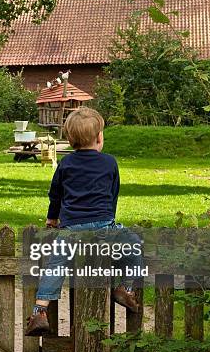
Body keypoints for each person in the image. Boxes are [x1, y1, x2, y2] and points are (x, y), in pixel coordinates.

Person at [25, 107, 143, 336]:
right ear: (99, 137)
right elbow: (113, 193)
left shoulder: (66, 164)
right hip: (103, 226)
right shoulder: (110, 163)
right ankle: (125, 288)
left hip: (71, 229)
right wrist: (109, 219)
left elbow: (55, 195)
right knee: (134, 246)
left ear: (69, 139)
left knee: (55, 266)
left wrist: (52, 219)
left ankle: (40, 311)